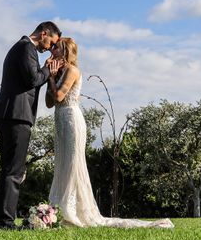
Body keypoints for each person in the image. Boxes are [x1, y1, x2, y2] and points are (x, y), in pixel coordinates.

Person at [46, 37, 173, 228]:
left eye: (56, 47)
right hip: (60, 120)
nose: (52, 50)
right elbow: (49, 103)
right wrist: (52, 77)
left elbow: (59, 96)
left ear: (65, 51)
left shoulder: (72, 70)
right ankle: (57, 210)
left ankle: (71, 212)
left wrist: (50, 77)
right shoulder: (58, 72)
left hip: (72, 119)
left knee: (73, 164)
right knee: (62, 164)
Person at [0, 21, 63, 230]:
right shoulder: (26, 48)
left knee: (9, 169)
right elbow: (33, 79)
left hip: (10, 114)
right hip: (16, 115)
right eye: (51, 42)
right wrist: (48, 69)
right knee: (14, 170)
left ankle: (2, 220)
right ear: (43, 33)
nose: (50, 48)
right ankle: (5, 222)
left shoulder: (23, 48)